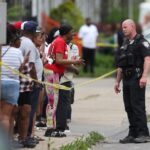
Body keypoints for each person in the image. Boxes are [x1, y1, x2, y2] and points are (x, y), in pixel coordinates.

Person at [114, 19, 150, 143]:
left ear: (132, 27)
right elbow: (121, 64)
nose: (123, 29)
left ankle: (143, 133)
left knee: (137, 106)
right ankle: (133, 133)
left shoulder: (142, 42)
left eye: (125, 27)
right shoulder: (125, 43)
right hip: (127, 79)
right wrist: (117, 81)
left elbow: (147, 60)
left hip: (137, 77)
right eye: (122, 27)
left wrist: (144, 76)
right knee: (128, 106)